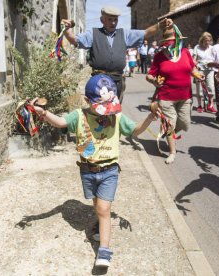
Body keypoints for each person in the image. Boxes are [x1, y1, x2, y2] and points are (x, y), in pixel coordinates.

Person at [29, 74, 158, 266]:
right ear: (87, 100)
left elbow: (135, 130)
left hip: (109, 169)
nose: (106, 112)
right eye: (101, 107)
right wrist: (43, 113)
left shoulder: (116, 115)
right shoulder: (79, 116)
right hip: (88, 170)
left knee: (104, 209)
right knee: (98, 205)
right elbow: (61, 122)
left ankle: (104, 251)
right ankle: (100, 227)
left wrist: (149, 117)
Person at [61, 6, 172, 103]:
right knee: (96, 113)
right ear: (102, 20)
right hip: (97, 81)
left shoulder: (125, 34)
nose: (113, 22)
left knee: (115, 112)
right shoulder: (93, 34)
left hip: (117, 81)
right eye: (109, 19)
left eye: (115, 19)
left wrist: (159, 26)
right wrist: (66, 30)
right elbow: (75, 40)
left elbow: (145, 33)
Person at [146, 25, 205, 164]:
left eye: (174, 41)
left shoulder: (185, 52)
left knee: (185, 124)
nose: (172, 44)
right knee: (170, 125)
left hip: (185, 96)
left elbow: (192, 68)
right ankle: (172, 151)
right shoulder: (159, 56)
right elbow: (149, 75)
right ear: (165, 44)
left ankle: (167, 132)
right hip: (166, 97)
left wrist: (197, 74)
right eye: (169, 42)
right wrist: (154, 81)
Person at [193, 32, 216, 113]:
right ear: (202, 40)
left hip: (210, 69)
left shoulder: (212, 48)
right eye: (206, 41)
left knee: (211, 87)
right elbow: (194, 60)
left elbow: (215, 59)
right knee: (200, 89)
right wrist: (195, 66)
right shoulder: (197, 47)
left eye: (209, 41)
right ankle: (200, 105)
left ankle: (210, 106)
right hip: (200, 70)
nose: (207, 42)